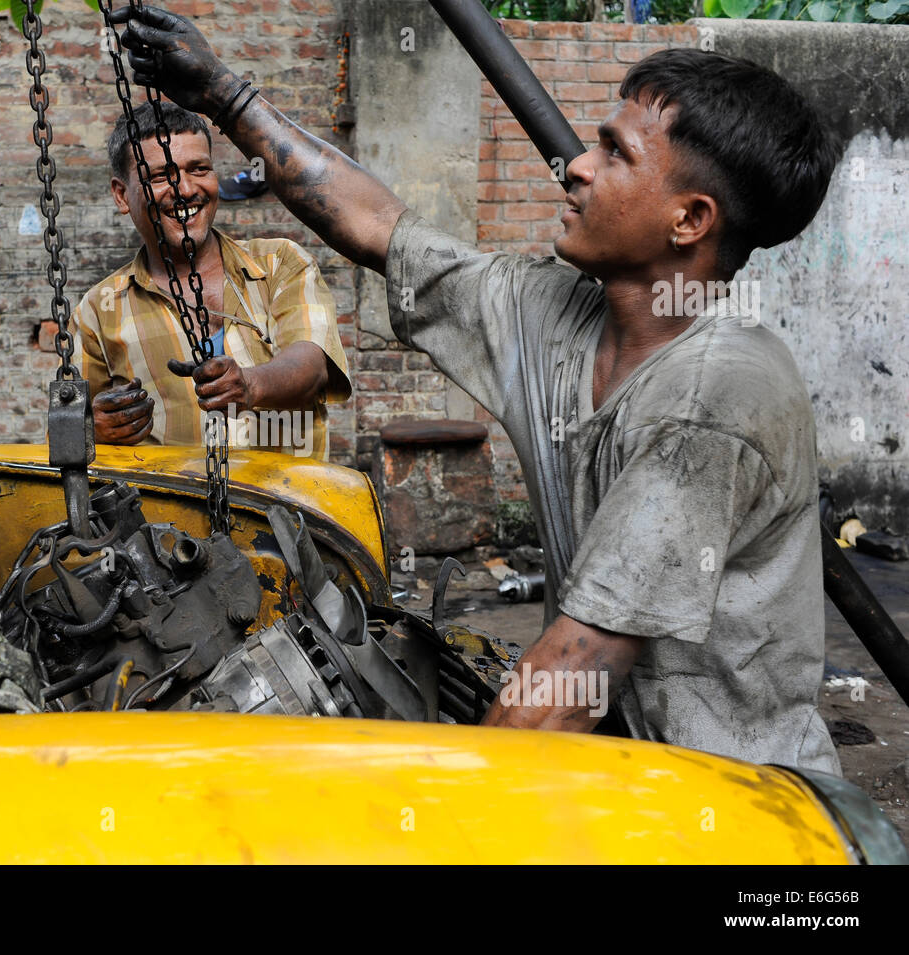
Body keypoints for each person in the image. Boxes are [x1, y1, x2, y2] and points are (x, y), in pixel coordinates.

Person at [109, 6, 844, 773]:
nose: (578, 168)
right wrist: (225, 95)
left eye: (614, 154)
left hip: (738, 801)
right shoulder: (557, 314)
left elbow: (568, 682)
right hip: (624, 767)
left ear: (690, 219)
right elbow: (379, 227)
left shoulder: (716, 396)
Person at [75, 102, 351, 461]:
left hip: (287, 508)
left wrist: (250, 385)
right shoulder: (99, 310)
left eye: (199, 169)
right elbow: (68, 430)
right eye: (160, 176)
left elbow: (312, 367)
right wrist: (92, 430)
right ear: (121, 195)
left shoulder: (280, 263)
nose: (185, 189)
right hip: (168, 514)